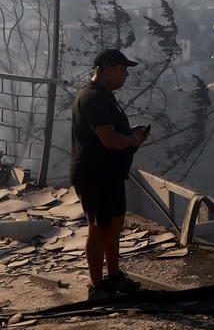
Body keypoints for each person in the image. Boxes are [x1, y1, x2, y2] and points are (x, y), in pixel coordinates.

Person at [70, 49, 149, 300]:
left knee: (114, 225)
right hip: (95, 175)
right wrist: (132, 138)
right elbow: (110, 139)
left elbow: (114, 134)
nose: (126, 75)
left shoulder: (105, 97)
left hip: (110, 174)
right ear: (108, 68)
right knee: (99, 228)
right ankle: (97, 285)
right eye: (123, 69)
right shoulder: (93, 98)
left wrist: (129, 134)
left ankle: (114, 275)